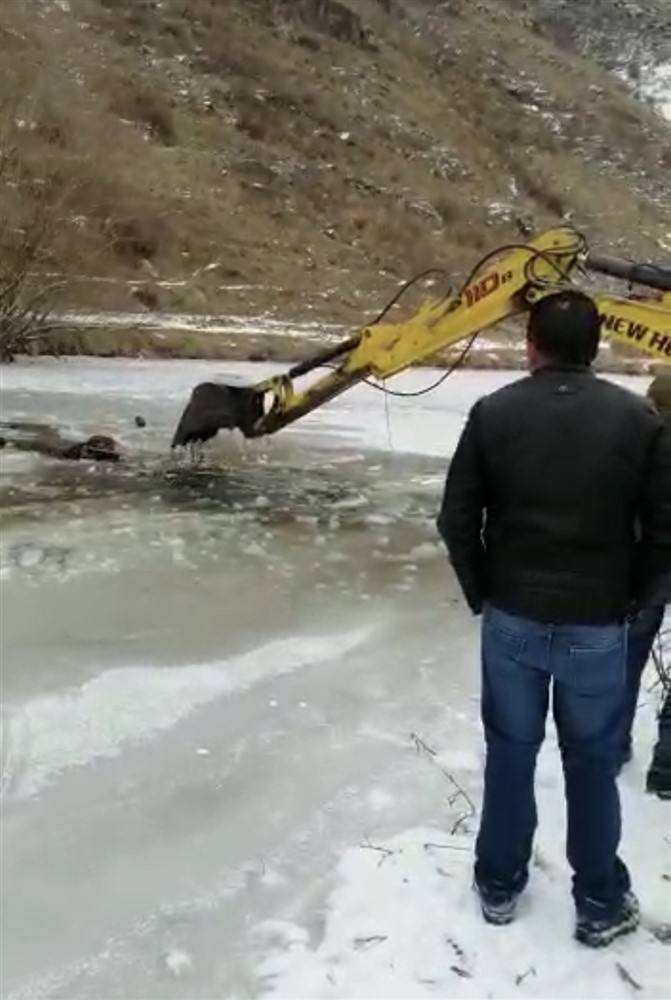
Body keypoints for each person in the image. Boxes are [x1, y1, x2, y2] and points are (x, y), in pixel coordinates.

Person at [436, 290, 670, 948]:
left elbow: (457, 519)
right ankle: (599, 900)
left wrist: (484, 592)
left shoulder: (493, 413)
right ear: (595, 348)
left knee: (510, 753)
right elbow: (663, 531)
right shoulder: (639, 421)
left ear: (530, 346)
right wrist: (633, 600)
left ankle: (498, 883)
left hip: (513, 617)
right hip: (597, 622)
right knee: (591, 761)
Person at [620, 373, 671, 796]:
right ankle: (667, 770)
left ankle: (610, 746)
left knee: (625, 661)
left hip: (645, 567)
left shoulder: (634, 444)